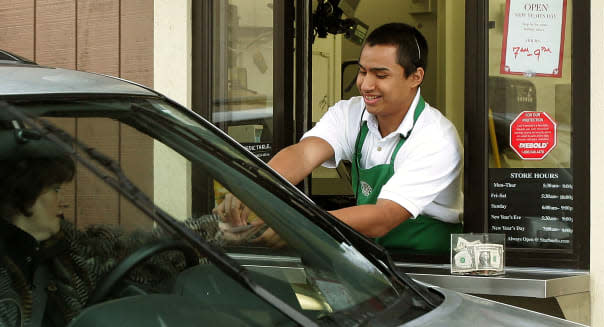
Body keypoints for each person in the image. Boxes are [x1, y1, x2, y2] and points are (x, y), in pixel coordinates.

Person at [217, 22, 463, 253]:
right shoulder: (351, 113)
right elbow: (303, 155)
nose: (366, 84)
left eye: (381, 75)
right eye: (363, 71)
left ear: (415, 77)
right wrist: (253, 187)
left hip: (429, 265)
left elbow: (383, 217)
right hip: (377, 255)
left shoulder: (435, 138)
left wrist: (301, 225)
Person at [0, 129, 259, 326]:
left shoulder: (69, 250)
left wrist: (216, 230)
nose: (63, 201)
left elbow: (141, 250)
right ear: (21, 195)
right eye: (54, 190)